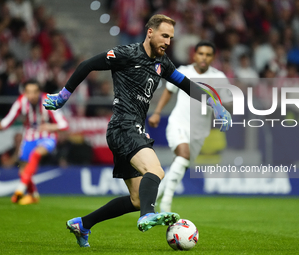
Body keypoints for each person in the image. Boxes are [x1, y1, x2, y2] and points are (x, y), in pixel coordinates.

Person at [43, 14, 231, 248]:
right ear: (150, 33)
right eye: (164, 36)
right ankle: (147, 215)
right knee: (156, 170)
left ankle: (83, 224)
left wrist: (215, 104)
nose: (168, 42)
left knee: (136, 199)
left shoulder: (163, 64)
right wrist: (64, 95)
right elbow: (87, 65)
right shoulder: (126, 54)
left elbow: (188, 86)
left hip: (130, 130)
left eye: (171, 38)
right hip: (123, 126)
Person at [148, 40, 232, 212]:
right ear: (194, 55)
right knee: (183, 155)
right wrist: (157, 112)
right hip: (178, 123)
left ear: (213, 57)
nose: (204, 58)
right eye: (201, 53)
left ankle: (154, 198)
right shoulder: (183, 72)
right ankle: (166, 204)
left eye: (208, 55)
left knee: (180, 164)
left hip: (200, 133)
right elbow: (169, 91)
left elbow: (228, 103)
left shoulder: (219, 78)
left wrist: (223, 110)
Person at [0, 79, 68, 205]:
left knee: (35, 154)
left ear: (39, 92)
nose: (31, 95)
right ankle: (33, 195)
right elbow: (6, 122)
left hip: (47, 136)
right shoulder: (21, 101)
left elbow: (64, 124)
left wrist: (50, 127)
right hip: (29, 137)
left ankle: (20, 189)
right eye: (28, 92)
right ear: (25, 92)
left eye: (34, 92)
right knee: (23, 170)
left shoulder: (49, 100)